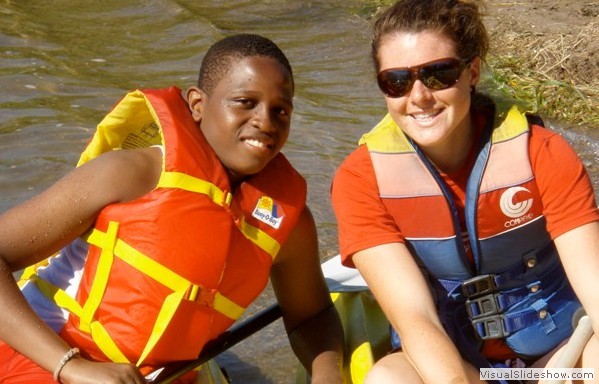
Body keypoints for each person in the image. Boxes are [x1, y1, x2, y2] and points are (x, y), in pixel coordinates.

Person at [0, 33, 344, 384]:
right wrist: (71, 367)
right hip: (47, 357)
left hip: (164, 375)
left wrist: (328, 376)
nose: (265, 121)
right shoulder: (131, 174)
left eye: (281, 110)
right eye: (245, 102)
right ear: (197, 104)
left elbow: (311, 315)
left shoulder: (290, 221)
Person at [331, 0, 599, 383]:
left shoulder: (543, 153)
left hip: (560, 360)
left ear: (472, 72)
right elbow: (414, 318)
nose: (419, 96)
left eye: (438, 74)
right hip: (453, 366)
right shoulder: (360, 180)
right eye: (397, 81)